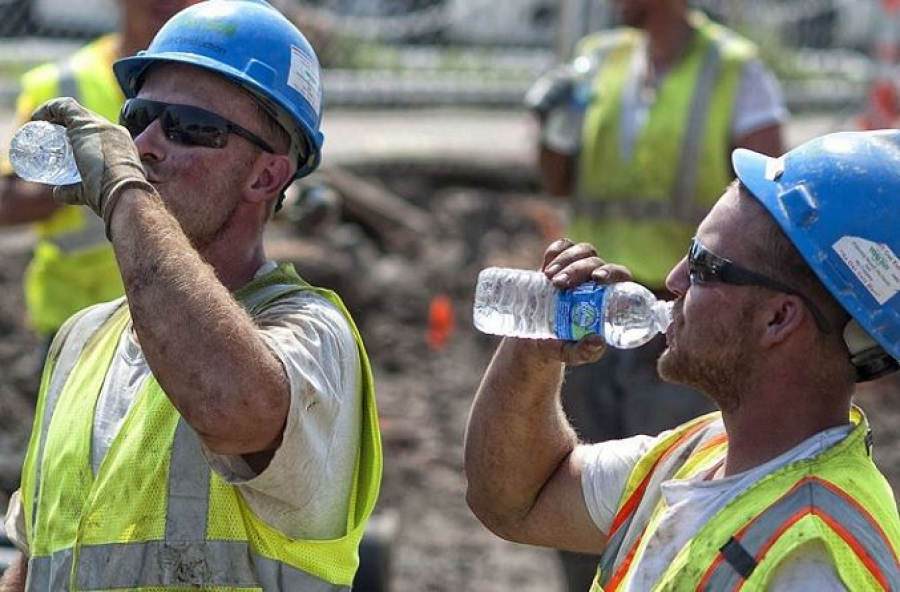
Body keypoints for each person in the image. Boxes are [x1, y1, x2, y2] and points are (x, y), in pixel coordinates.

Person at [0, 0, 382, 589]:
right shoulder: (80, 340)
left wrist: (126, 190)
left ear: (266, 177)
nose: (146, 143)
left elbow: (232, 407)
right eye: (139, 117)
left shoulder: (312, 332)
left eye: (189, 128)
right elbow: (33, 561)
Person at [464, 129, 900, 590]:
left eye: (703, 266)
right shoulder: (704, 452)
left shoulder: (811, 559)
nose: (673, 280)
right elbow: (514, 499)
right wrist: (535, 347)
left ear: (778, 319)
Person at [525, 1, 787, 585]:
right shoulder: (601, 60)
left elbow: (768, 214)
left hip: (680, 320)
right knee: (571, 486)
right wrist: (555, 124)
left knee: (666, 498)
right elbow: (556, 178)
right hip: (592, 312)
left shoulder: (733, 70)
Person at [0, 0, 204, 358]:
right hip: (77, 326)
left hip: (180, 316)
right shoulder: (62, 82)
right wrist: (85, 171)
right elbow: (9, 203)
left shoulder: (216, 92)